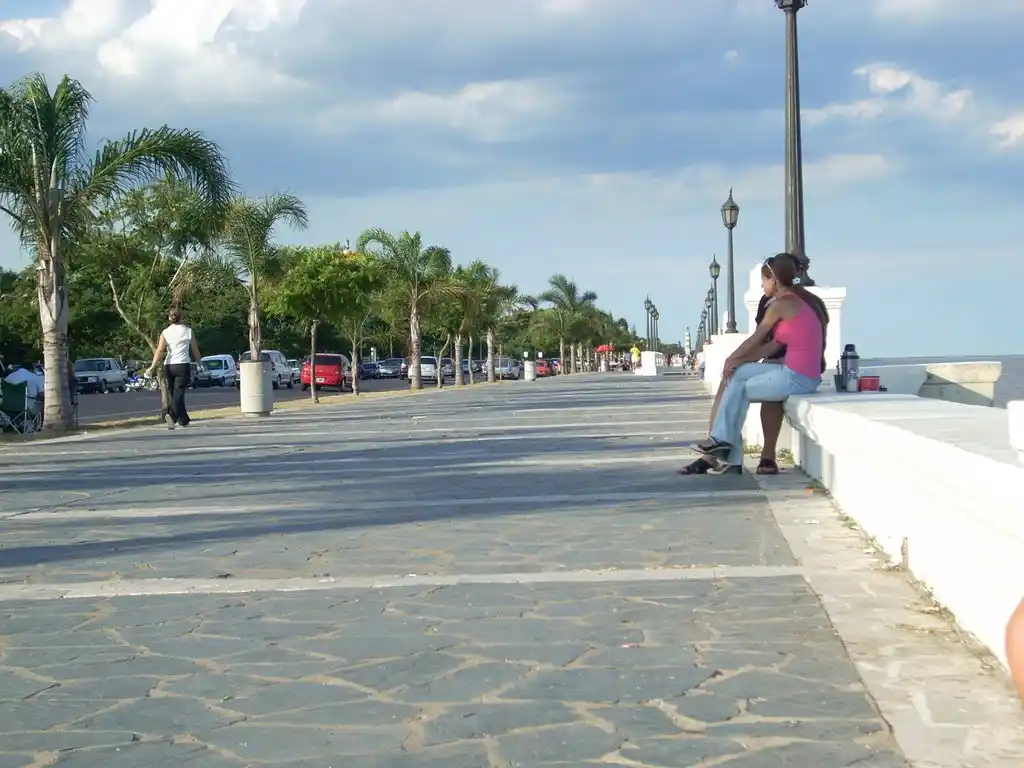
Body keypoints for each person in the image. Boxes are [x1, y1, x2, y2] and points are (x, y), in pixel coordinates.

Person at [686, 254, 828, 475]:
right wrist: (737, 362)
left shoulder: (782, 304)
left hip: (798, 378)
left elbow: (757, 337)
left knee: (739, 387)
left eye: (764, 280)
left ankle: (723, 445)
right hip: (793, 372)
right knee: (736, 375)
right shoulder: (792, 303)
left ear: (774, 279)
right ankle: (725, 450)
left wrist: (731, 358)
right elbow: (770, 347)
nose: (762, 285)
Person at [146, 307, 201, 430]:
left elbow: (160, 350)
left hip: (169, 365)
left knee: (174, 393)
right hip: (182, 365)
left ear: (169, 318)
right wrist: (200, 363)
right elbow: (195, 349)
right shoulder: (188, 331)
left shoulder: (165, 332)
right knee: (178, 393)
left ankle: (183, 420)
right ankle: (172, 416)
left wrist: (152, 366)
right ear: (182, 318)